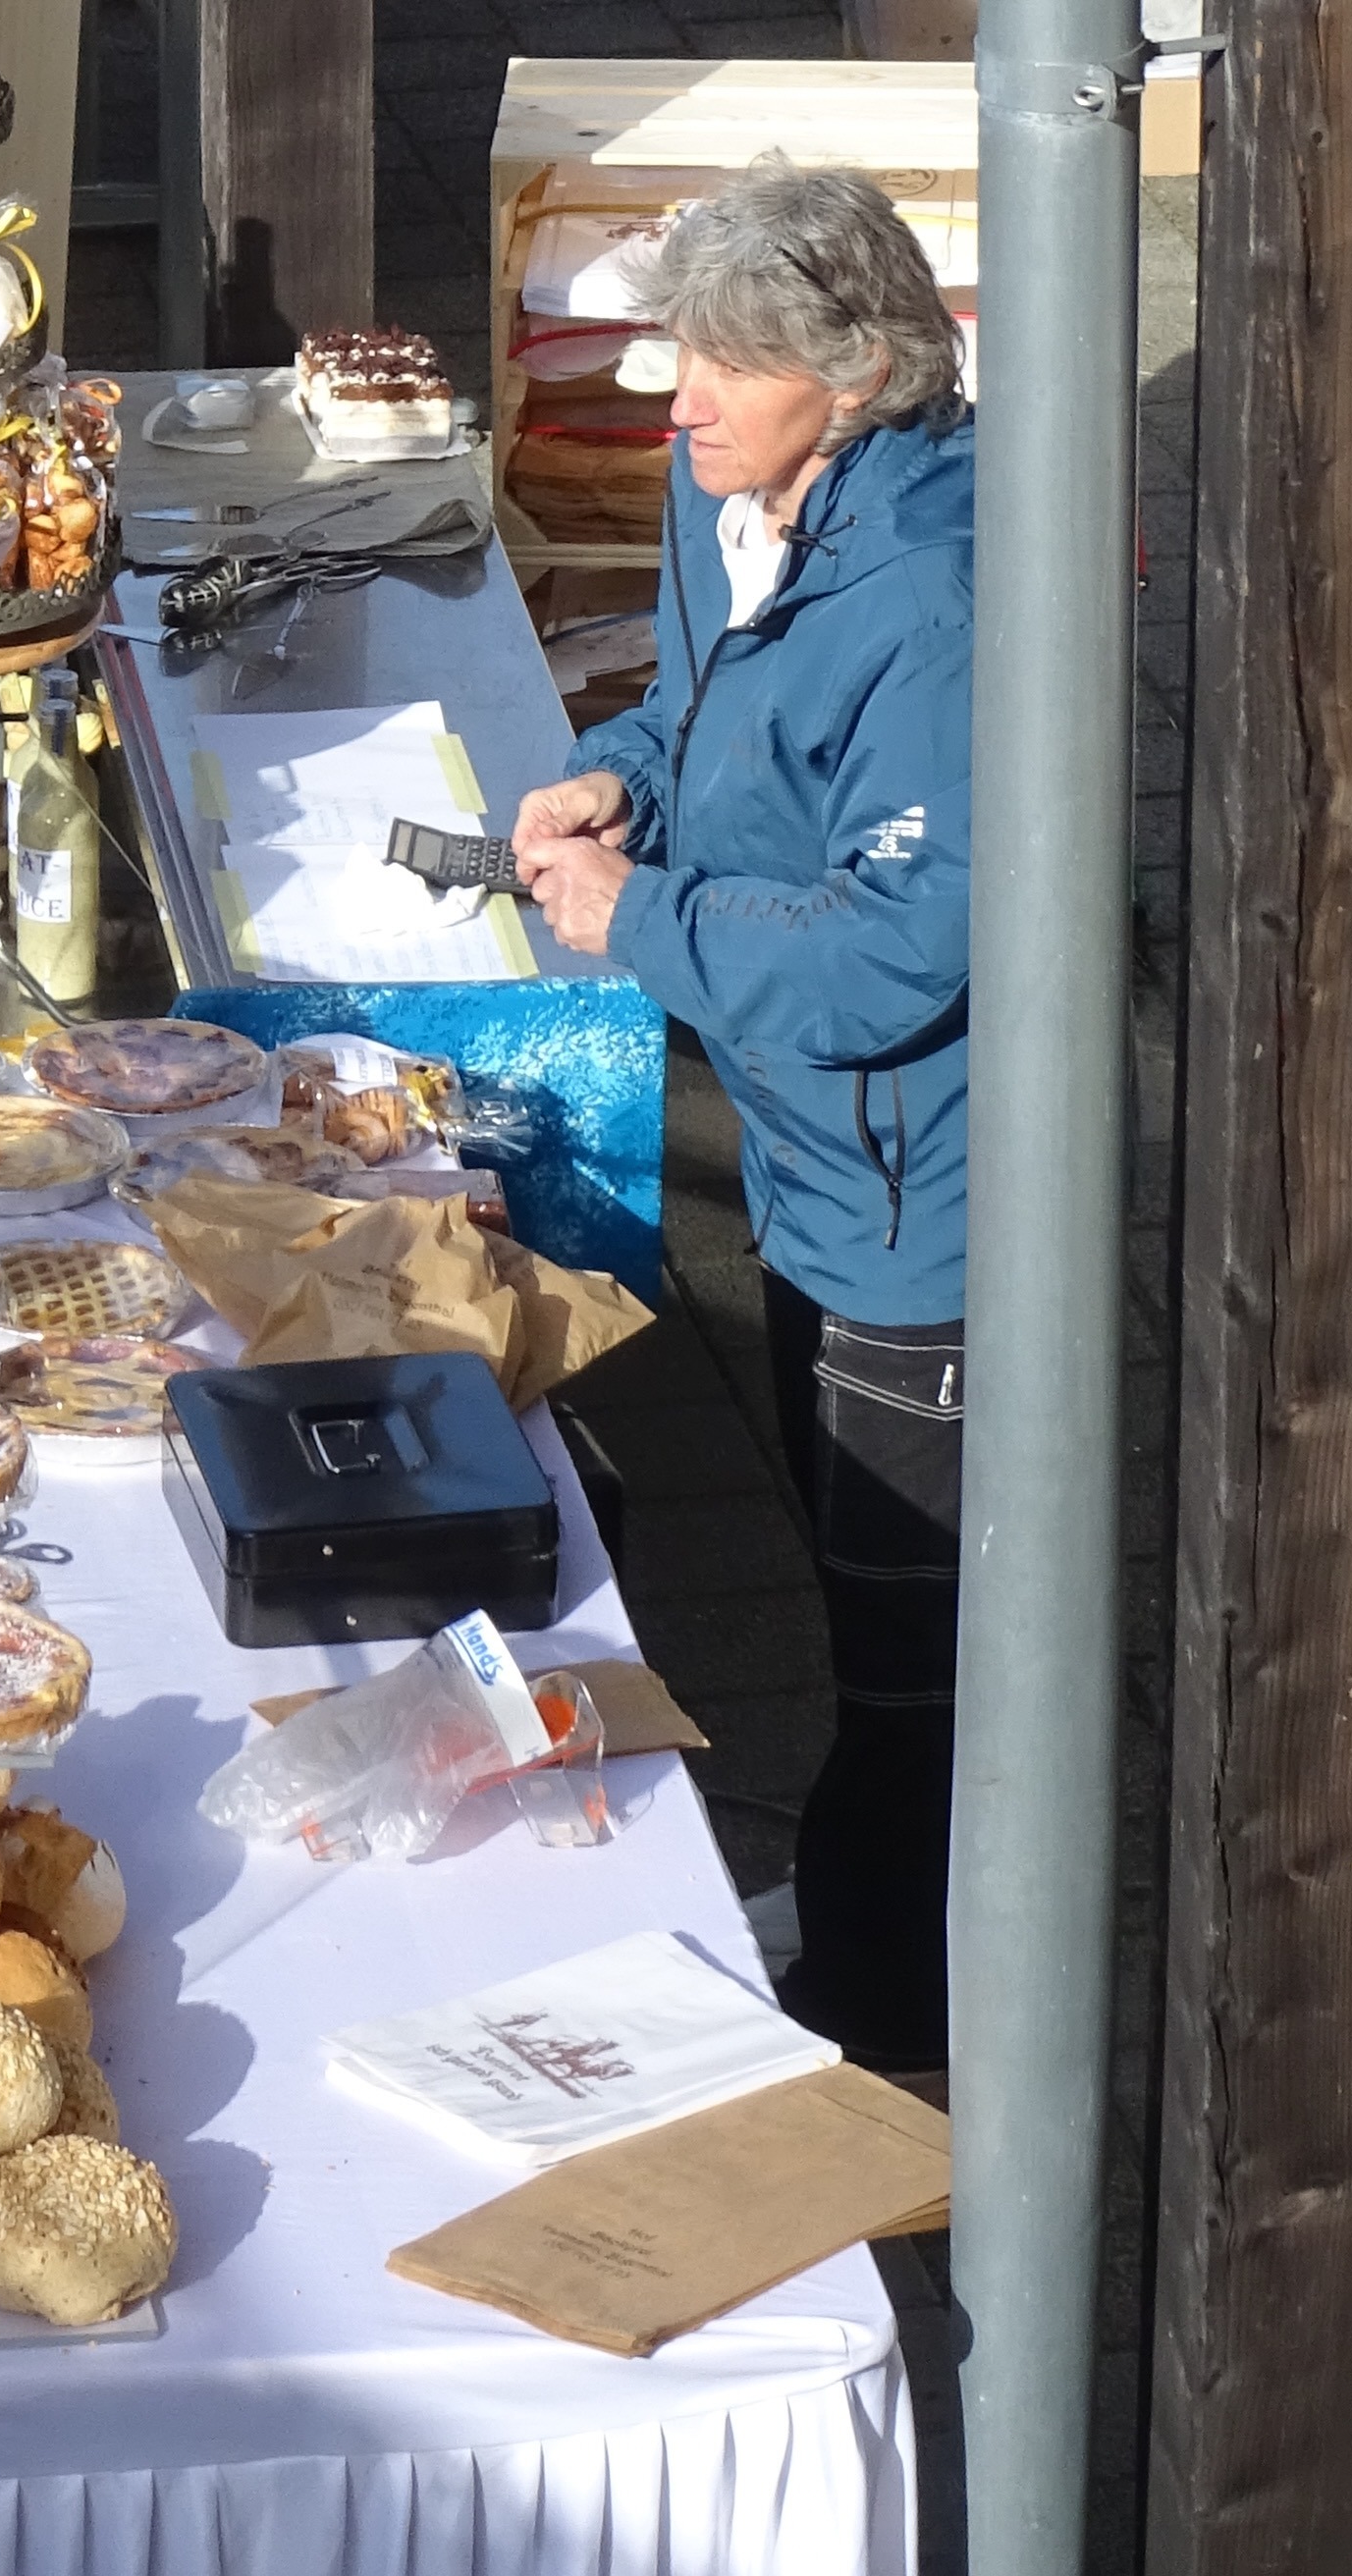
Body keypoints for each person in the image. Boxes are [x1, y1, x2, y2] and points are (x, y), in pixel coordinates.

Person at [510, 167, 974, 2072]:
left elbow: (902, 950)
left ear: (854, 377)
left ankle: (898, 2006)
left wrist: (651, 924)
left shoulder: (945, 604)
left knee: (910, 1650)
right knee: (846, 1572)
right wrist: (613, 785)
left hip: (920, 1212)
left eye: (720, 363)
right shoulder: (742, 515)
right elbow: (702, 728)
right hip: (809, 1163)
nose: (672, 394)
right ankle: (877, 1924)